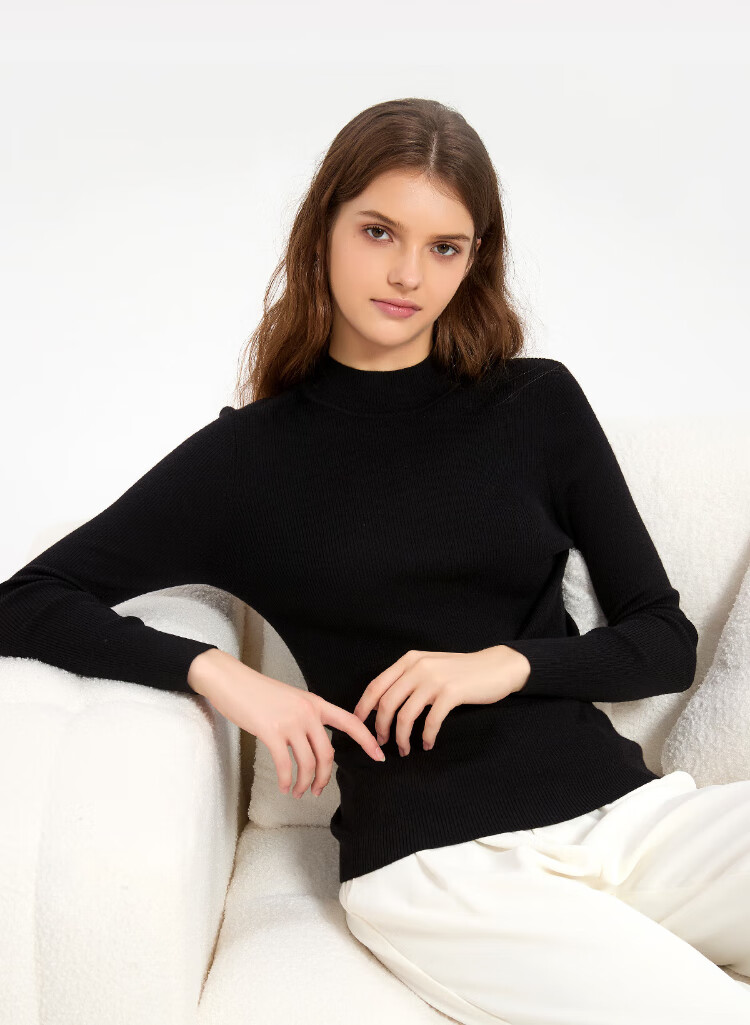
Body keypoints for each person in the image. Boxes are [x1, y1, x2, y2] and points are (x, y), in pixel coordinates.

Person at [1, 97, 749, 1024]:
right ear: (325, 228)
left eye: (445, 246)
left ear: (476, 260)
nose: (407, 273)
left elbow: (663, 640)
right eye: (379, 231)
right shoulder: (248, 460)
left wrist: (502, 665)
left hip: (631, 818)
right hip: (442, 869)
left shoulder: (537, 405)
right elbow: (26, 598)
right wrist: (224, 677)